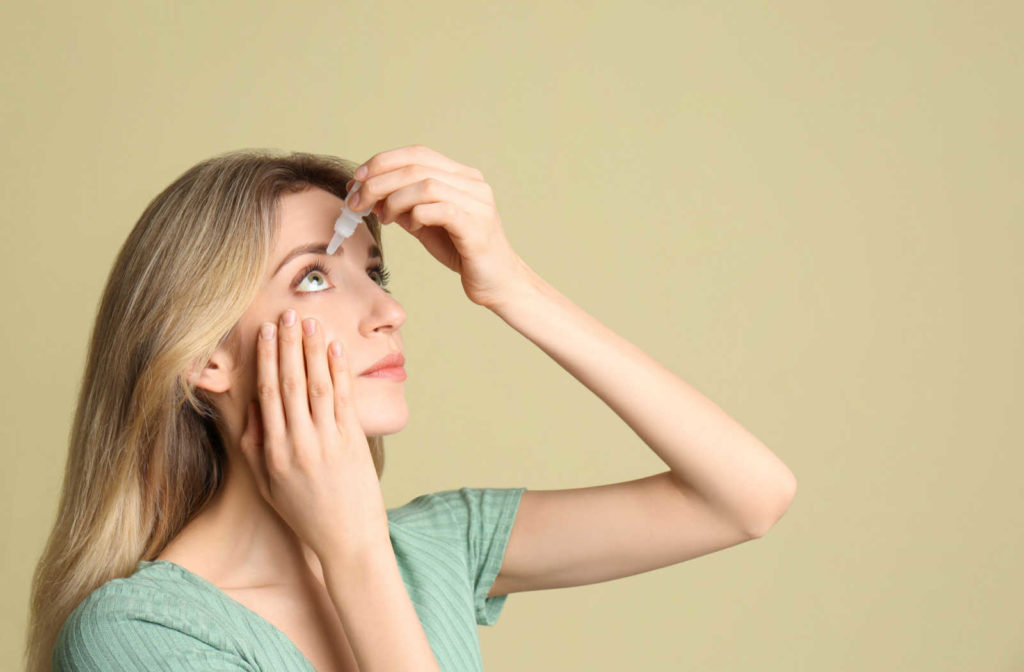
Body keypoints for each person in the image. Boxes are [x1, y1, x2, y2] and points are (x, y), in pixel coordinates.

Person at [27, 145, 797, 671]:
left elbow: (747, 497)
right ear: (203, 357)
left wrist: (510, 285)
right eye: (316, 279)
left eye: (377, 272)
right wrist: (354, 553)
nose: (386, 312)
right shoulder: (136, 635)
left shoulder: (435, 549)